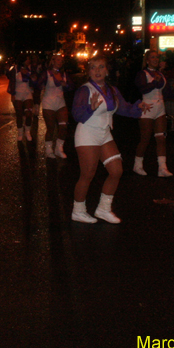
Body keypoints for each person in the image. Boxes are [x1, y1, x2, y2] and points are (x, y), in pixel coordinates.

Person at [71, 55, 151, 224]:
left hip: (105, 134)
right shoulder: (85, 90)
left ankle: (103, 209)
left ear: (107, 70)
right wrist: (89, 107)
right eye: (93, 67)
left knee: (116, 171)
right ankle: (78, 211)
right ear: (88, 71)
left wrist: (138, 107)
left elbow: (124, 108)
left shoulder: (112, 90)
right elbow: (77, 114)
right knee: (87, 174)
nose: (97, 71)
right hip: (87, 134)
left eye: (101, 67)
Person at [133, 50, 174, 177]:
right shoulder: (142, 73)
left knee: (161, 138)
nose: (155, 59)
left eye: (157, 57)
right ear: (147, 60)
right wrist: (155, 82)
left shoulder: (161, 74)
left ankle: (162, 167)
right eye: (153, 57)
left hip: (160, 108)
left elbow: (166, 94)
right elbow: (142, 88)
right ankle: (137, 165)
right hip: (147, 107)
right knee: (145, 138)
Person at [41, 53, 72, 158]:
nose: (60, 62)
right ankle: (48, 150)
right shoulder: (47, 73)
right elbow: (37, 84)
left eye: (61, 61)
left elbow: (71, 86)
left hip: (60, 103)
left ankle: (59, 149)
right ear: (53, 61)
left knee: (63, 126)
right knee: (51, 128)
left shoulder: (64, 74)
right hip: (48, 103)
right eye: (58, 60)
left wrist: (66, 85)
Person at [7, 54, 38, 141]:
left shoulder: (31, 68)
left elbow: (35, 81)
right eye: (27, 59)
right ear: (23, 60)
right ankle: (20, 133)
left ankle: (27, 132)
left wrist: (33, 77)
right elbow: (11, 79)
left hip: (28, 92)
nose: (29, 61)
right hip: (17, 93)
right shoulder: (15, 68)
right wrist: (12, 94)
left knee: (28, 114)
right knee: (19, 114)